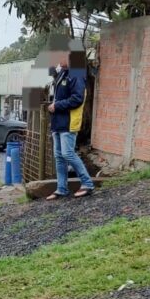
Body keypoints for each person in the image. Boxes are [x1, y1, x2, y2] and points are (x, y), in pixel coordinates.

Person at [47, 55, 95, 199]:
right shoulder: (62, 73)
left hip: (69, 121)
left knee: (68, 153)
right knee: (59, 156)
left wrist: (57, 106)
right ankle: (61, 188)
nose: (59, 60)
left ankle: (87, 183)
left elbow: (77, 99)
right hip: (58, 122)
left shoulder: (76, 75)